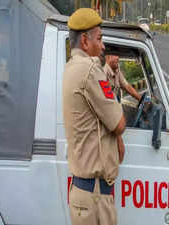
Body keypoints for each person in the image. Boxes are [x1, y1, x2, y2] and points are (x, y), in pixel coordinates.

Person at [63, 8, 126, 225]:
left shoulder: (71, 68)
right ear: (84, 41)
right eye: (99, 38)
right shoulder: (90, 70)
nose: (103, 46)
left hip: (84, 191)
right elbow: (118, 123)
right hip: (95, 196)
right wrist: (117, 133)